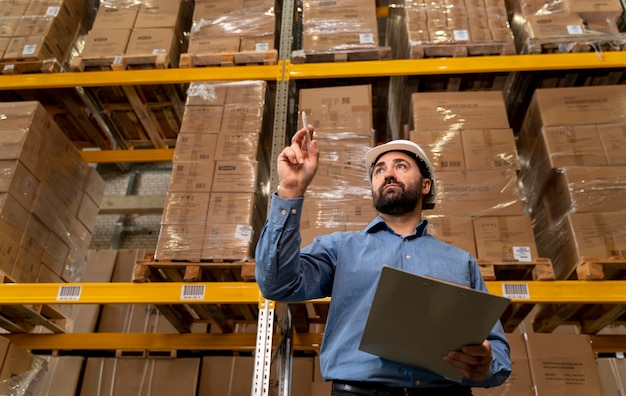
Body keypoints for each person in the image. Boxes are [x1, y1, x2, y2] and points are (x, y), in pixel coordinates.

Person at [255, 125, 511, 395]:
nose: (387, 173)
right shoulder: (340, 248)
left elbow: (498, 351)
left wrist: (485, 364)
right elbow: (277, 285)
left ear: (426, 185)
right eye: (379, 170)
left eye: (401, 166)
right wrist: (290, 192)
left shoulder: (462, 262)